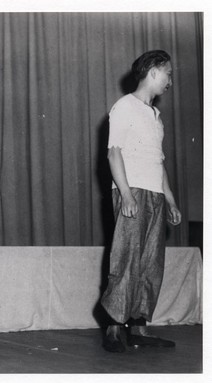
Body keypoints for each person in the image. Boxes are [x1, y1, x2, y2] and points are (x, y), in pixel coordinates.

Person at [100, 50, 182, 353]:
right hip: (131, 190)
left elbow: (157, 162)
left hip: (155, 195)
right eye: (168, 73)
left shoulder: (155, 115)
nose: (170, 81)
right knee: (126, 259)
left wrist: (171, 200)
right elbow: (114, 153)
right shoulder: (124, 107)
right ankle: (113, 327)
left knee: (151, 264)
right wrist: (126, 194)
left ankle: (138, 326)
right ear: (152, 71)